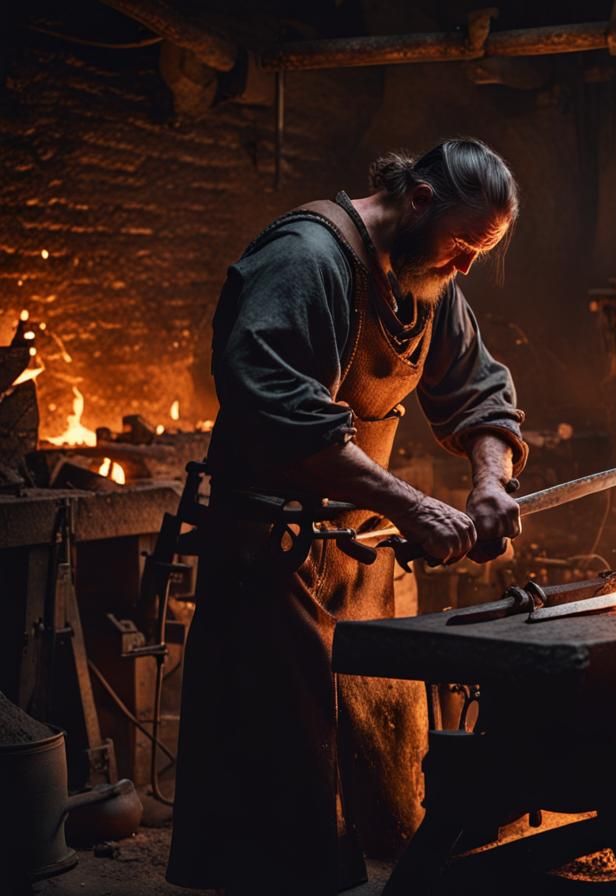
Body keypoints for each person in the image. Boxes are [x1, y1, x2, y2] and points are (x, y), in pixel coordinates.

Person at [166, 138, 528, 894]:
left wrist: (490, 481)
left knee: (383, 791)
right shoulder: (305, 260)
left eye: (477, 255)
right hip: (272, 558)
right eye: (462, 247)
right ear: (418, 198)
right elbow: (283, 419)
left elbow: (479, 389)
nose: (464, 268)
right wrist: (412, 503)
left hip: (357, 553)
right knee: (284, 801)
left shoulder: (427, 276)